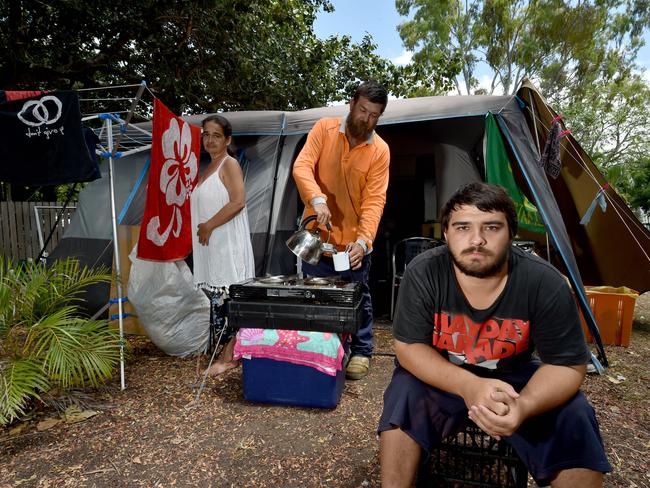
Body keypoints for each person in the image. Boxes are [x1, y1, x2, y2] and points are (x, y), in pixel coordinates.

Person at [378, 182, 612, 487]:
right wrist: (469, 385)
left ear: (511, 234)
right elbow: (409, 347)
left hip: (513, 378)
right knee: (403, 394)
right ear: (445, 233)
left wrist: (524, 405)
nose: (477, 240)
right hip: (444, 374)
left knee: (574, 413)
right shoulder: (424, 272)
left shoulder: (545, 282)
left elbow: (567, 365)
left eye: (492, 227)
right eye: (462, 227)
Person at [292, 80, 390, 380]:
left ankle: (362, 351)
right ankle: (323, 350)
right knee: (317, 297)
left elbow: (375, 200)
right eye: (362, 110)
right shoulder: (324, 129)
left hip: (353, 244)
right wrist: (316, 199)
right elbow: (302, 166)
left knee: (358, 295)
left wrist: (364, 241)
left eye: (374, 115)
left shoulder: (380, 151)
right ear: (351, 104)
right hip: (319, 240)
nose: (366, 119)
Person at [191, 114, 255, 377]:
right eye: (206, 134)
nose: (209, 140)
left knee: (228, 301)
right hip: (212, 247)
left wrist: (208, 225)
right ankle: (224, 353)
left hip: (227, 243)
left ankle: (228, 357)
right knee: (219, 301)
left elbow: (238, 201)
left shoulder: (228, 165)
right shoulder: (209, 166)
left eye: (216, 135)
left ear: (227, 140)